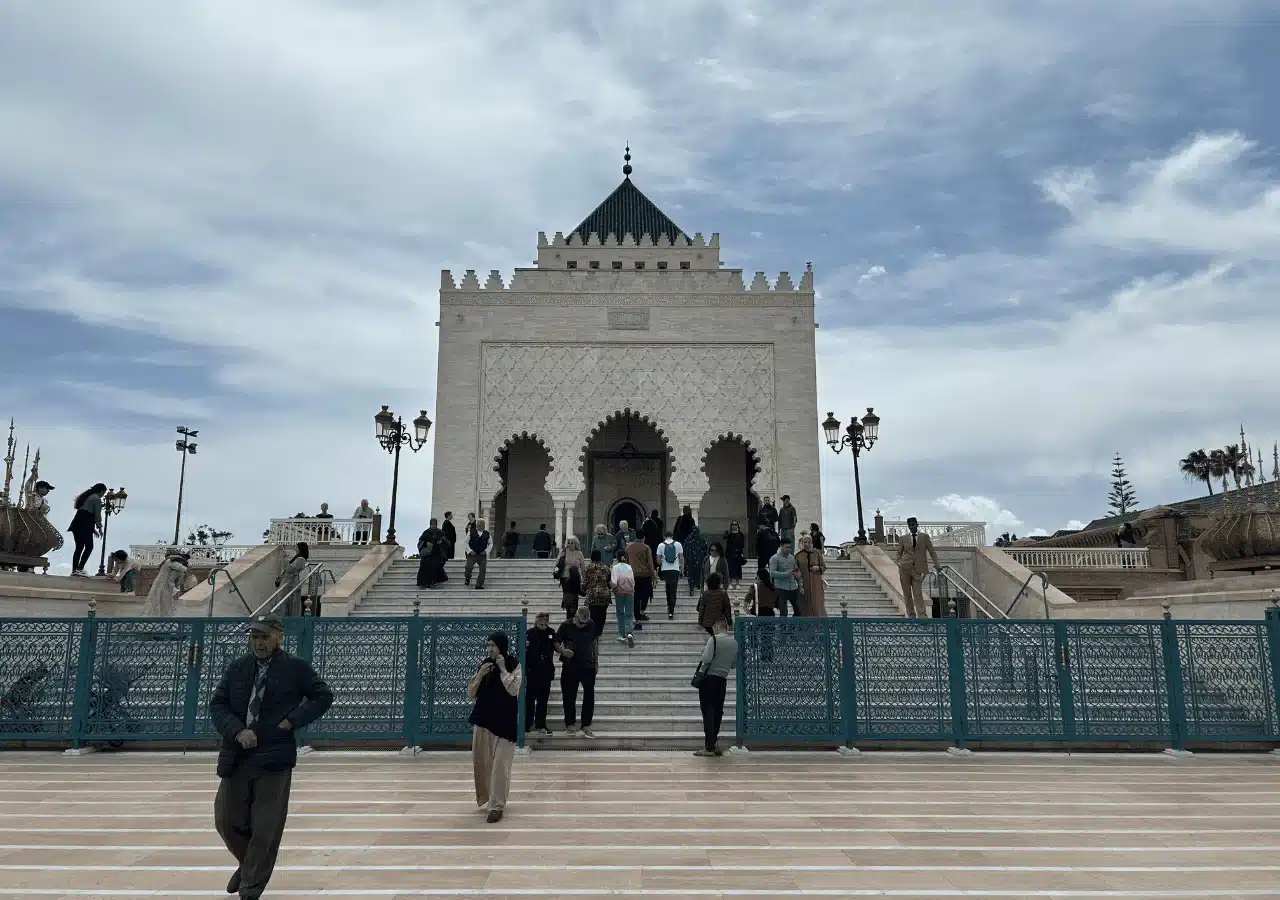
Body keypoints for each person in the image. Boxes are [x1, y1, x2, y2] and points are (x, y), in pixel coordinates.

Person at [210, 614, 333, 900]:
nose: (259, 642)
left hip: (274, 755)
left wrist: (290, 722)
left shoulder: (295, 668)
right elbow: (218, 704)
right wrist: (237, 730)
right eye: (254, 637)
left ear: (279, 637)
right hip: (237, 754)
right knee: (226, 820)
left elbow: (323, 696)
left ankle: (251, 887)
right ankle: (248, 864)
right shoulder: (238, 668)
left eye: (264, 637)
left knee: (265, 827)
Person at [468, 632, 522, 824]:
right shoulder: (484, 665)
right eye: (488, 645)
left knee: (500, 766)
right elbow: (471, 693)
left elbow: (514, 689)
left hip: (504, 724)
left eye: (493, 645)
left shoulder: (512, 664)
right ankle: (487, 798)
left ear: (502, 646)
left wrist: (502, 670)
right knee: (483, 764)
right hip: (483, 721)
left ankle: (497, 807)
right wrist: (480, 675)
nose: (490, 648)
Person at [694, 618, 738, 758]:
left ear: (717, 628)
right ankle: (714, 742)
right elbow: (733, 665)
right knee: (718, 711)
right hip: (722, 680)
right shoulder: (735, 643)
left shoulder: (714, 640)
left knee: (708, 711)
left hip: (708, 680)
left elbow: (706, 659)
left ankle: (709, 746)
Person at [555, 605, 598, 738]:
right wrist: (562, 651)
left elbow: (594, 643)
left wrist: (596, 661)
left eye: (585, 623)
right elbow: (555, 642)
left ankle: (586, 725)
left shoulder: (591, 624)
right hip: (570, 666)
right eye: (580, 622)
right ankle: (570, 724)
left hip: (588, 666)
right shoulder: (566, 625)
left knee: (589, 696)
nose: (582, 625)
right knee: (569, 696)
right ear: (575, 618)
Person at [896, 516, 941, 618]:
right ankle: (911, 615)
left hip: (918, 569)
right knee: (907, 594)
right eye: (910, 525)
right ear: (908, 526)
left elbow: (932, 551)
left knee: (917, 593)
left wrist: (937, 565)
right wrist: (899, 563)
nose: (911, 526)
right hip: (904, 569)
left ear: (917, 524)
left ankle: (922, 616)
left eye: (913, 524)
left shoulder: (924, 537)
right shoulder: (903, 538)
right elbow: (899, 552)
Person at [524, 612, 556, 735]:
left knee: (543, 700)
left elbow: (555, 646)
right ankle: (527, 724)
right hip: (532, 671)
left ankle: (541, 725)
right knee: (530, 700)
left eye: (545, 623)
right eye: (541, 623)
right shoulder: (530, 633)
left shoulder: (551, 632)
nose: (543, 625)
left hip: (546, 671)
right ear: (536, 622)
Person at [67, 482, 106, 576]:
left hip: (77, 524)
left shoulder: (88, 497)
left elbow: (87, 515)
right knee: (89, 547)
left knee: (79, 547)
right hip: (84, 525)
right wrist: (100, 528)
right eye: (104, 493)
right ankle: (79, 568)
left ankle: (75, 570)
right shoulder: (96, 498)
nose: (103, 495)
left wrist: (93, 530)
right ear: (101, 491)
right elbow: (97, 515)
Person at [144, 550, 192, 616]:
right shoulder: (169, 561)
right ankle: (160, 615)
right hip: (162, 584)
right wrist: (187, 567)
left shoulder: (167, 561)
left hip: (163, 584)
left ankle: (161, 615)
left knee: (161, 600)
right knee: (161, 600)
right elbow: (181, 568)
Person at [625, 531, 656, 628]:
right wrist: (654, 575)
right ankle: (642, 611)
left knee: (636, 597)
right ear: (643, 538)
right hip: (645, 575)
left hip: (633, 574)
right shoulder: (646, 548)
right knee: (646, 594)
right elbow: (650, 563)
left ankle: (637, 618)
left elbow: (626, 561)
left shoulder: (628, 547)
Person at [795, 534, 827, 616]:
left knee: (817, 602)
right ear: (802, 543)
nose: (807, 544)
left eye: (809, 542)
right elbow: (795, 569)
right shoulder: (798, 555)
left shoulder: (817, 553)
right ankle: (806, 625)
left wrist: (818, 568)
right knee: (805, 602)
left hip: (816, 582)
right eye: (805, 542)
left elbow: (824, 567)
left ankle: (819, 623)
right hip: (804, 582)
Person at [583, 549, 613, 637]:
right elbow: (609, 581)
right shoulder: (606, 567)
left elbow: (584, 583)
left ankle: (593, 633)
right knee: (602, 614)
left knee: (592, 614)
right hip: (604, 595)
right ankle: (599, 632)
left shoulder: (588, 568)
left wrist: (584, 590)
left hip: (592, 595)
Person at [767, 540, 801, 618]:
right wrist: (786, 574)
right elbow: (772, 573)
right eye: (787, 547)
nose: (789, 549)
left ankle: (793, 627)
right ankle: (783, 628)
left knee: (798, 610)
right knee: (783, 611)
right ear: (781, 546)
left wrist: (798, 576)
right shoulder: (774, 558)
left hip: (793, 587)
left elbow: (796, 569)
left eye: (790, 547)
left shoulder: (792, 558)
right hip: (780, 587)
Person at [274, 543, 310, 616]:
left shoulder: (301, 559)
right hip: (287, 581)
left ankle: (284, 618)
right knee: (282, 600)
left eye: (297, 547)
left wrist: (285, 559)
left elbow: (290, 568)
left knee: (285, 600)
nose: (295, 549)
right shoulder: (297, 558)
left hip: (290, 582)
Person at [610, 552, 636, 647]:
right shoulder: (629, 567)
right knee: (629, 613)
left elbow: (614, 582)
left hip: (619, 592)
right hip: (629, 592)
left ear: (617, 558)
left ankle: (623, 635)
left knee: (620, 613)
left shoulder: (615, 568)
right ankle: (629, 632)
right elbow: (632, 581)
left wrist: (610, 584)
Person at [656, 530, 684, 619]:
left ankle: (669, 608)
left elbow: (658, 560)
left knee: (668, 589)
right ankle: (672, 610)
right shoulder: (678, 544)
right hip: (675, 570)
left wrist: (662, 563)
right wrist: (682, 568)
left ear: (664, 536)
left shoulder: (661, 545)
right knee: (674, 590)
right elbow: (681, 557)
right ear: (672, 536)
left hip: (665, 570)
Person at [555, 537, 586, 616]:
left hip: (575, 578)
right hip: (565, 578)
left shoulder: (579, 553)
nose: (570, 544)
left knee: (574, 596)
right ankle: (569, 613)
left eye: (572, 543)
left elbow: (583, 567)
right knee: (568, 596)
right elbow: (557, 563)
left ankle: (573, 613)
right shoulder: (564, 551)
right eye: (568, 542)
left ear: (576, 544)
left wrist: (584, 579)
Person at [416, 521, 447, 588]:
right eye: (432, 524)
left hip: (437, 553)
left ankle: (432, 581)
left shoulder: (440, 532)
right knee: (424, 566)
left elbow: (446, 542)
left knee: (434, 566)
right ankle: (423, 583)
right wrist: (426, 543)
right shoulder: (426, 532)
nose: (433, 526)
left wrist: (441, 542)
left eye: (434, 524)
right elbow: (420, 542)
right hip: (427, 554)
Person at [465, 519, 493, 589]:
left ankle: (479, 585)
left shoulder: (487, 533)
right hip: (472, 555)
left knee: (482, 571)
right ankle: (467, 577)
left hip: (482, 555)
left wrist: (486, 551)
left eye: (483, 525)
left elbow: (490, 544)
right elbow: (466, 542)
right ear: (477, 525)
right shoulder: (471, 532)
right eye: (480, 525)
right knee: (468, 568)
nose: (482, 526)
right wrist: (470, 551)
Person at [683, 523, 708, 596]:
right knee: (697, 573)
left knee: (692, 574)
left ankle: (692, 587)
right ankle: (696, 585)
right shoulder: (700, 538)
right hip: (697, 559)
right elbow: (705, 548)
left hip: (692, 559)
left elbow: (685, 549)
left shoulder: (688, 538)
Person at [723, 521, 746, 588]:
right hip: (730, 554)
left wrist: (741, 553)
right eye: (733, 525)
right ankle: (730, 583)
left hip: (738, 554)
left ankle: (737, 584)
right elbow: (725, 538)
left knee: (738, 569)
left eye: (735, 524)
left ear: (738, 525)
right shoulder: (729, 534)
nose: (734, 526)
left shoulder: (740, 534)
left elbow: (742, 545)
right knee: (730, 569)